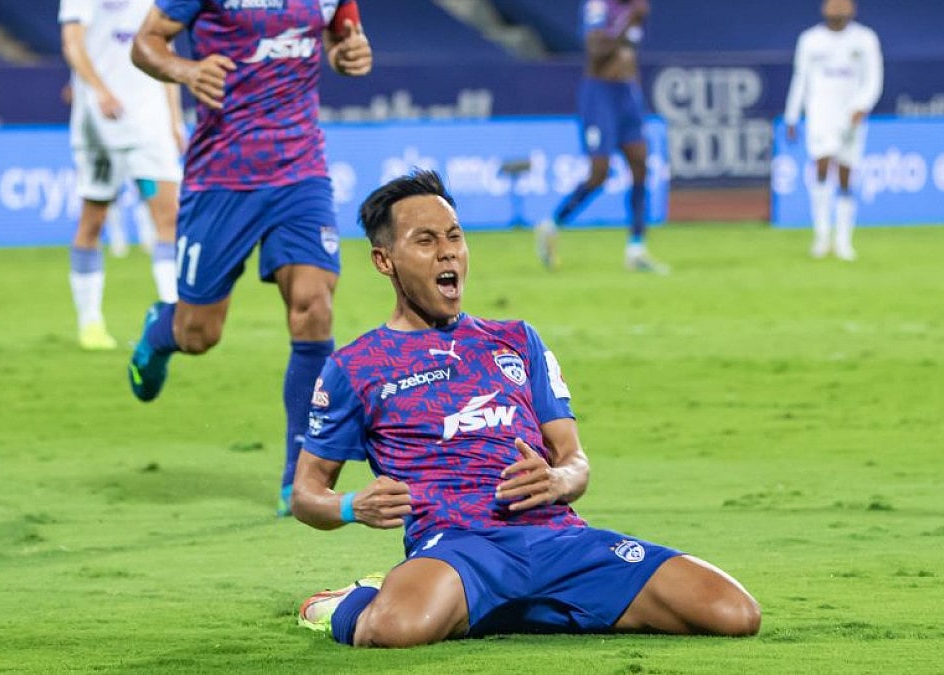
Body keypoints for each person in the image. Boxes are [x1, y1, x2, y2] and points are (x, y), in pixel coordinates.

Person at [292, 170, 760, 647]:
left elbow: (574, 461)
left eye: (455, 236)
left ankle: (504, 606)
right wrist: (351, 505)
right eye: (426, 240)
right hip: (457, 549)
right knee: (394, 630)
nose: (448, 251)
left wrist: (558, 480)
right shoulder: (356, 366)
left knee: (734, 612)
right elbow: (306, 493)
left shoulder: (516, 340)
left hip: (556, 539)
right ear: (384, 260)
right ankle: (351, 601)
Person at [126, 0, 372, 515]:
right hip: (222, 177)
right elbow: (146, 41)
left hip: (300, 170)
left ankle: (297, 480)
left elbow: (341, 36)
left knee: (314, 306)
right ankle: (161, 330)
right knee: (200, 334)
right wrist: (185, 70)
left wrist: (349, 52)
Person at [59, 0, 185, 350]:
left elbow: (165, 50)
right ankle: (90, 323)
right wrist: (99, 90)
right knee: (93, 221)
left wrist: (174, 120)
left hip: (150, 120)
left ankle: (172, 319)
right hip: (101, 122)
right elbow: (72, 43)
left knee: (170, 217)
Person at [535, 0, 667, 274]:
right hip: (600, 96)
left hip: (627, 95)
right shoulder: (600, 7)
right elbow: (597, 52)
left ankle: (636, 247)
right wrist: (629, 20)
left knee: (640, 167)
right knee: (599, 173)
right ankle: (551, 224)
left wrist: (637, 97)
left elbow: (628, 54)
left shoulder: (635, 9)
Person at [784, 0, 883, 261]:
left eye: (842, 9)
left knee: (846, 174)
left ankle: (843, 241)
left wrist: (863, 105)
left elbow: (874, 78)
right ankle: (821, 236)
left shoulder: (865, 39)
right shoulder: (810, 40)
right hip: (820, 112)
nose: (837, 14)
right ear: (824, 10)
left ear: (852, 10)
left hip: (850, 113)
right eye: (833, 9)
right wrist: (792, 115)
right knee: (821, 166)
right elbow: (800, 78)